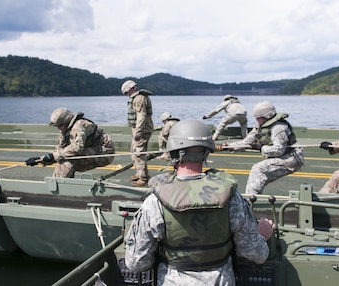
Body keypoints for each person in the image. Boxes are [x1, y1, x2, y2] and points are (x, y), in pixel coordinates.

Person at [124, 119, 275, 286]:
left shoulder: (155, 202)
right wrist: (262, 236)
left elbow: (136, 263)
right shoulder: (231, 197)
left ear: (173, 153)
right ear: (206, 153)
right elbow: (256, 254)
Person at [216, 101, 304, 195]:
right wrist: (230, 146)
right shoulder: (261, 126)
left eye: (258, 118)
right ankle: (254, 196)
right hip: (284, 156)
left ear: (266, 116)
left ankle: (251, 199)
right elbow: (246, 142)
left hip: (292, 158)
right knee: (260, 176)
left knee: (259, 169)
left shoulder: (278, 128)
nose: (257, 120)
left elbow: (279, 150)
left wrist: (261, 148)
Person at [25, 107, 115, 178]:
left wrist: (53, 156)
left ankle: (59, 186)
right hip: (90, 150)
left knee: (69, 160)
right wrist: (40, 159)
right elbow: (60, 151)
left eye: (60, 125)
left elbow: (77, 148)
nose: (58, 128)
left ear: (66, 122)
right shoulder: (65, 130)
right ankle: (63, 185)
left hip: (104, 153)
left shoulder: (78, 127)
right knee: (64, 157)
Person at [121, 80, 154, 187]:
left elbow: (141, 116)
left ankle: (143, 178)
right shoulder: (137, 98)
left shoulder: (139, 99)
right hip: (138, 129)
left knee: (139, 154)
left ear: (131, 89)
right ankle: (138, 173)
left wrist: (138, 132)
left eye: (127, 92)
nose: (127, 95)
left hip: (142, 130)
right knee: (133, 151)